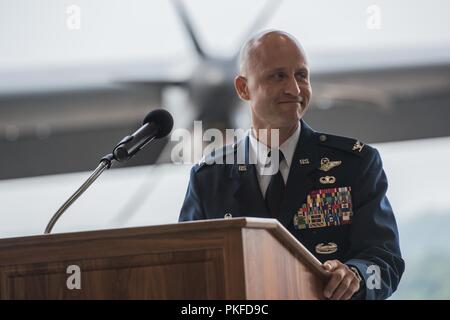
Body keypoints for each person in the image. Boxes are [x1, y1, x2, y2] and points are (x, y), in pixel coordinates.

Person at [178, 30, 404, 300]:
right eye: (278, 76)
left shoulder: (355, 165)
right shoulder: (209, 179)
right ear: (243, 88)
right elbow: (186, 271)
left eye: (301, 76)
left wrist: (356, 275)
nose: (295, 90)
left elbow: (385, 262)